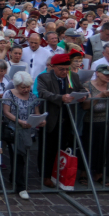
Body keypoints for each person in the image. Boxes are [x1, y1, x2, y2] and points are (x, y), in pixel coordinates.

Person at [34, 53, 81, 187]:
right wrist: (60, 98)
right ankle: (45, 175)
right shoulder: (44, 77)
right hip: (51, 118)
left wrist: (83, 95)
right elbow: (43, 92)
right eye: (61, 69)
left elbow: (81, 88)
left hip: (68, 117)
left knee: (64, 146)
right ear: (53, 67)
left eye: (67, 69)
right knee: (47, 148)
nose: (64, 72)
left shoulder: (73, 77)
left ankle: (59, 174)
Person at [1, 71, 40, 199]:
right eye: (23, 87)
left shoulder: (32, 96)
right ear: (17, 86)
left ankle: (14, 178)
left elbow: (36, 112)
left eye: (28, 87)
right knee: (17, 156)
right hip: (14, 129)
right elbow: (6, 112)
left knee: (22, 157)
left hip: (28, 130)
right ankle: (20, 186)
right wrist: (19, 121)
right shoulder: (9, 94)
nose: (26, 89)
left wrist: (40, 120)